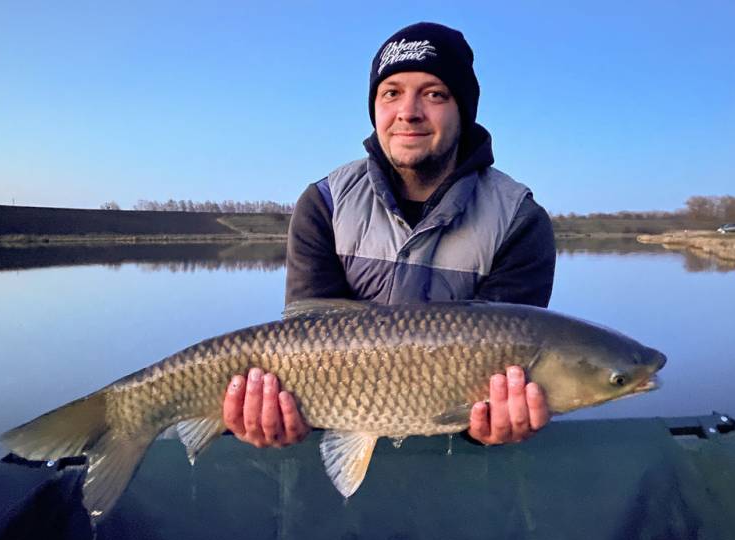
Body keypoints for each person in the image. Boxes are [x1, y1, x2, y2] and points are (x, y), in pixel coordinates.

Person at [223, 22, 556, 448]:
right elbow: (309, 328)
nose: (409, 112)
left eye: (434, 94)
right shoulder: (324, 203)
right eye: (391, 93)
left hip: (457, 455)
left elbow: (507, 381)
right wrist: (268, 416)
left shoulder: (519, 220)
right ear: (375, 107)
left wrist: (490, 430)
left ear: (463, 109)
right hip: (337, 422)